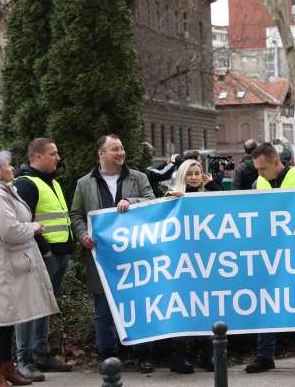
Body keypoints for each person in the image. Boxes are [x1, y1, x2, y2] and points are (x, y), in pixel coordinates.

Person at [0, 151, 58, 387]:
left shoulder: (2, 191)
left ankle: (7, 368)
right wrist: (34, 227)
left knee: (7, 318)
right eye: (6, 164)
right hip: (1, 266)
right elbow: (10, 231)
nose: (11, 167)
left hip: (7, 264)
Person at [70, 135, 156, 371]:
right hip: (101, 256)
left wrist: (132, 200)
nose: (121, 153)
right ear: (101, 154)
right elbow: (76, 214)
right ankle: (108, 356)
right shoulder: (84, 183)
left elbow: (151, 201)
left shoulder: (138, 178)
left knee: (139, 304)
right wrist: (82, 235)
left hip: (135, 255)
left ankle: (144, 354)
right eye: (115, 149)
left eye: (122, 148)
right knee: (103, 308)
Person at [244, 142, 295, 375]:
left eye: (262, 168)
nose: (259, 172)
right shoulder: (259, 183)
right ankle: (265, 355)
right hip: (270, 253)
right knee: (268, 303)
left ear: (276, 162)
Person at [12, 138, 74, 381]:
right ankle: (24, 360)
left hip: (59, 254)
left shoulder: (53, 183)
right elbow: (23, 221)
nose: (58, 158)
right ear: (37, 156)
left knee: (45, 307)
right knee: (29, 307)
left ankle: (40, 355)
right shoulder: (26, 184)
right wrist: (44, 248)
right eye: (53, 154)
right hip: (42, 255)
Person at [162, 159, 219, 373]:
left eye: (198, 173)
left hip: (206, 261)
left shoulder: (207, 194)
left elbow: (224, 206)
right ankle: (178, 357)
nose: (194, 177)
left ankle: (208, 355)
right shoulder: (172, 197)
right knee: (182, 309)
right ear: (183, 176)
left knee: (208, 307)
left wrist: (212, 184)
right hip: (182, 263)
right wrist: (168, 199)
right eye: (190, 174)